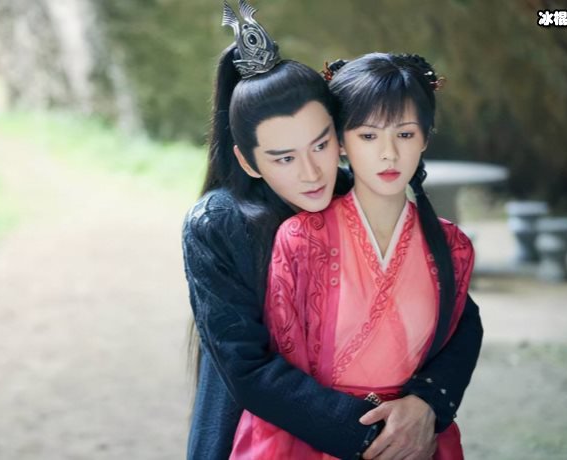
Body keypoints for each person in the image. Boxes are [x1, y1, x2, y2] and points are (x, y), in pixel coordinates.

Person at [182, 2, 483, 459]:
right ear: (248, 160)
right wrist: (374, 438)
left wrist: (427, 402)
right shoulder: (216, 224)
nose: (311, 173)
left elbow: (459, 312)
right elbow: (247, 367)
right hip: (263, 426)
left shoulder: (356, 189)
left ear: (339, 137)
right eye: (284, 158)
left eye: (320, 145)